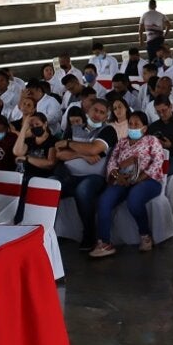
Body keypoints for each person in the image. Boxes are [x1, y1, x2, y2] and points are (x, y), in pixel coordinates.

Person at [89, 112, 167, 257]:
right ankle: (104, 243)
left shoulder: (152, 140)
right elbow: (112, 161)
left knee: (134, 199)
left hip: (148, 180)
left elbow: (157, 163)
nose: (132, 127)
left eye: (136, 124)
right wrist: (117, 176)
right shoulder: (122, 142)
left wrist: (138, 178)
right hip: (123, 180)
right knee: (104, 201)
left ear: (144, 128)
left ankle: (145, 236)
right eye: (130, 124)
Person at [54, 99, 117, 249]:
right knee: (50, 184)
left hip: (96, 178)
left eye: (102, 113)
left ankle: (89, 234)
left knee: (83, 190)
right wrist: (82, 155)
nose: (97, 115)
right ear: (88, 110)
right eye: (95, 110)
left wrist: (70, 145)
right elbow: (59, 154)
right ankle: (46, 230)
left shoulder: (108, 131)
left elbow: (93, 150)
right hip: (69, 175)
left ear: (106, 117)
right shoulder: (74, 128)